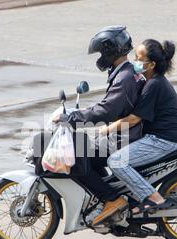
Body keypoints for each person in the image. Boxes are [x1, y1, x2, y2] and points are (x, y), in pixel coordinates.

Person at [54, 26, 145, 225]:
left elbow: (106, 111)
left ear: (110, 51)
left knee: (76, 156)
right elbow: (107, 107)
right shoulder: (127, 72)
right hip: (126, 134)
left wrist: (73, 118)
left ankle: (112, 199)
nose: (99, 57)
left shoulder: (124, 78)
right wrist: (75, 113)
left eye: (101, 52)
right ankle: (103, 196)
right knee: (88, 153)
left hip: (124, 139)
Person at [101, 39, 177, 218]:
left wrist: (106, 130)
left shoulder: (154, 85)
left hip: (164, 140)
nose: (135, 62)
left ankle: (153, 198)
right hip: (169, 136)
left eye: (139, 59)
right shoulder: (153, 81)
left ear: (151, 64)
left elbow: (133, 119)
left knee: (117, 161)